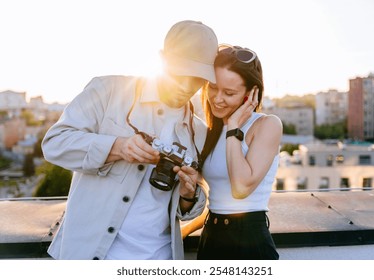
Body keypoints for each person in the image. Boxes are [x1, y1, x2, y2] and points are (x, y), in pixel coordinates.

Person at [41, 20, 218, 260]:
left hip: (160, 259)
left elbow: (185, 211)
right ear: (162, 59)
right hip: (92, 255)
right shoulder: (108, 90)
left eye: (197, 79)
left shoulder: (199, 131)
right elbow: (54, 143)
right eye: (180, 73)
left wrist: (188, 196)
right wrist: (117, 147)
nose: (187, 86)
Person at [181, 44, 282, 260]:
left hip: (250, 242)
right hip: (211, 239)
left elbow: (240, 188)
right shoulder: (209, 131)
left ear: (250, 93)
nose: (217, 98)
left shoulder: (267, 125)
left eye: (229, 93)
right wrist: (185, 230)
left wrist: (234, 127)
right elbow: (220, 201)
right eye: (213, 88)